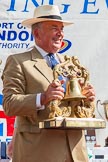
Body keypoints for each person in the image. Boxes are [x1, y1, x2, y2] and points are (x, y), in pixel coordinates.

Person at [2, 5, 95, 162]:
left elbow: (77, 109)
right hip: (39, 153)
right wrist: (42, 98)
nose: (60, 33)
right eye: (54, 28)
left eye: (61, 28)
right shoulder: (19, 62)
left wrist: (86, 100)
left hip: (76, 152)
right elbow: (10, 104)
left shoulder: (71, 63)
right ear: (37, 33)